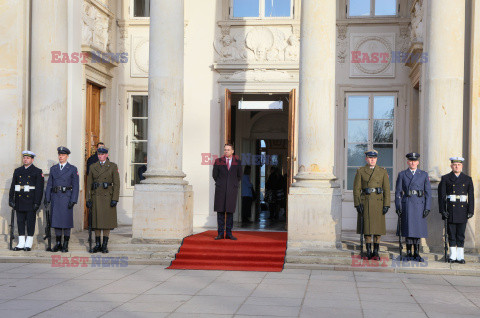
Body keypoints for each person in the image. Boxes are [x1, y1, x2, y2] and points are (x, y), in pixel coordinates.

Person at [353, 149, 390, 260]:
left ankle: (376, 251)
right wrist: (357, 203)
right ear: (366, 159)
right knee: (367, 228)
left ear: (376, 159)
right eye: (370, 158)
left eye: (374, 158)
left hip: (379, 202)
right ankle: (368, 251)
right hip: (366, 202)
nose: (372, 160)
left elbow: (387, 189)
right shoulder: (361, 171)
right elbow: (356, 189)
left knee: (378, 229)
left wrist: (386, 204)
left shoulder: (382, 171)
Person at [394, 153, 431, 261]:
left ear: (418, 162)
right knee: (408, 229)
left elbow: (428, 192)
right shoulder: (402, 174)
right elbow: (398, 192)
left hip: (420, 203)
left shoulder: (423, 174)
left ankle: (416, 252)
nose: (413, 162)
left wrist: (427, 207)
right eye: (410, 161)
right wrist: (398, 206)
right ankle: (409, 251)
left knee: (418, 229)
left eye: (414, 161)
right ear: (407, 162)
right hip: (408, 203)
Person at [438, 157, 474, 264]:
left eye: (458, 164)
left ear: (462, 166)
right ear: (451, 166)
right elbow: (442, 196)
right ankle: (452, 256)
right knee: (451, 234)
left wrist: (470, 210)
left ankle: (460, 257)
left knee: (461, 235)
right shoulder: (445, 178)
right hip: (451, 210)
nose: (456, 166)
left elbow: (471, 196)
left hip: (463, 210)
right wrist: (442, 210)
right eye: (454, 165)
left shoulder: (467, 179)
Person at [45, 147, 80, 253]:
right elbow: (49, 184)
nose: (60, 157)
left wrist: (73, 200)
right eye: (59, 155)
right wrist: (47, 198)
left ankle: (65, 243)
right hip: (56, 197)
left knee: (66, 221)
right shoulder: (53, 169)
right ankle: (58, 243)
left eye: (63, 155)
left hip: (66, 197)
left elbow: (76, 186)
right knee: (56, 221)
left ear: (67, 156)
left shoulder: (72, 169)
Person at [86, 147, 120, 253]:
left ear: (106, 155)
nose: (100, 156)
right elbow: (89, 184)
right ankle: (97, 244)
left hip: (108, 196)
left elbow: (117, 184)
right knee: (96, 221)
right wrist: (88, 198)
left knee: (106, 221)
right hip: (96, 196)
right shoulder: (93, 166)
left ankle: (104, 245)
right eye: (98, 154)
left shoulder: (113, 166)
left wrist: (115, 198)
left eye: (102, 154)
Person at [9, 151, 44, 251]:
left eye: (28, 158)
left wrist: (37, 202)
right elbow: (13, 186)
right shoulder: (18, 170)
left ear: (32, 160)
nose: (25, 159)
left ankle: (28, 243)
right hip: (19, 200)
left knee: (30, 222)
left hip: (31, 201)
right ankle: (21, 243)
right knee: (20, 222)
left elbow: (39, 189)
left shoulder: (37, 171)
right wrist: (11, 199)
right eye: (24, 158)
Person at [212, 143, 243, 240]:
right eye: (225, 149)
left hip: (232, 190)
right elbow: (214, 175)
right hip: (220, 190)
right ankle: (220, 234)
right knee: (220, 212)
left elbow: (239, 176)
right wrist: (222, 183)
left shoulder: (237, 162)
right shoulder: (218, 161)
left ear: (232, 151)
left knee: (230, 212)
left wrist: (232, 184)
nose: (226, 151)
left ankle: (229, 233)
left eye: (228, 150)